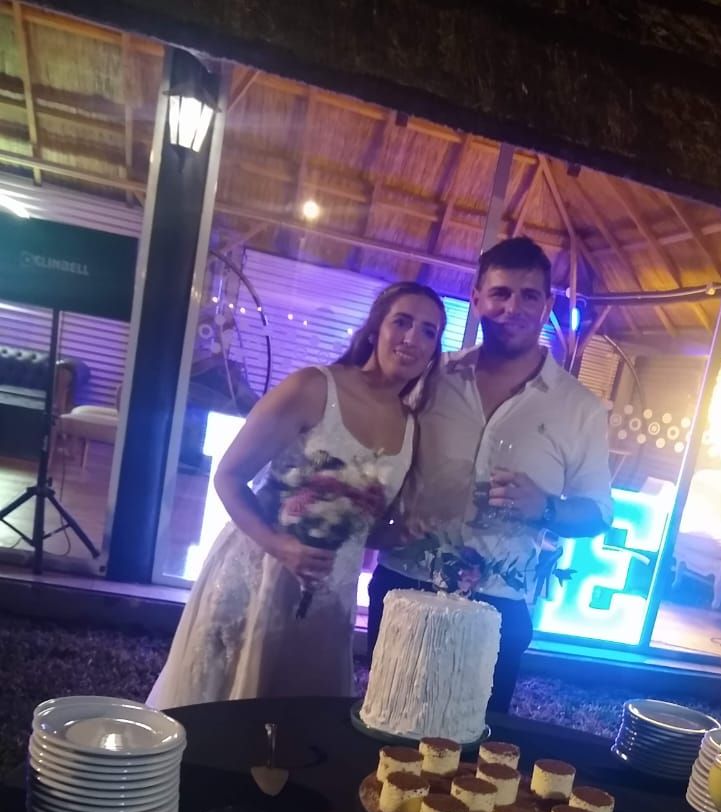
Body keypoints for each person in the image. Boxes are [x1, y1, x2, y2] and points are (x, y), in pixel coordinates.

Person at [148, 282, 446, 708]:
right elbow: (229, 477)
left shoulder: (411, 426)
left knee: (301, 729)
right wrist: (279, 546)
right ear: (376, 327)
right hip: (258, 576)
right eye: (402, 322)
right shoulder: (313, 388)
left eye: (428, 332)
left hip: (330, 603)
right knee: (220, 717)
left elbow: (360, 530)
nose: (412, 339)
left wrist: (398, 533)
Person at [368, 236, 612, 712]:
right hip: (406, 580)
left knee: (473, 760)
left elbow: (598, 513)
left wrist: (546, 508)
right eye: (499, 293)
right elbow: (378, 450)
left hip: (498, 605)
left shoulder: (579, 408)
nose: (512, 307)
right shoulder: (430, 377)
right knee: (384, 728)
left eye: (529, 295)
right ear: (476, 299)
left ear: (547, 307)